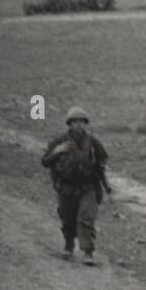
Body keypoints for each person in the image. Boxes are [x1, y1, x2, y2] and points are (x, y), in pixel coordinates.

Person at [41, 106, 111, 265]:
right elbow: (45, 162)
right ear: (69, 124)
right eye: (75, 122)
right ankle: (68, 244)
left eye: (81, 122)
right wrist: (57, 152)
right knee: (67, 218)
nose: (79, 125)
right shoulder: (59, 141)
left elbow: (101, 164)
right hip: (66, 186)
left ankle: (88, 251)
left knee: (87, 217)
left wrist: (106, 185)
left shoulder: (93, 142)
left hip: (88, 186)